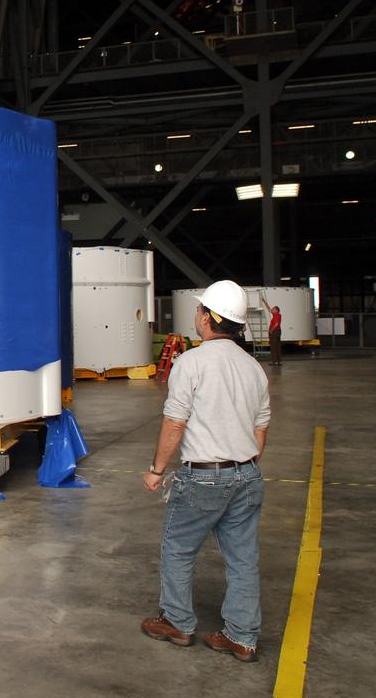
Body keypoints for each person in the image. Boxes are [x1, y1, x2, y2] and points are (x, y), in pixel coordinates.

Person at [140, 279, 271, 663]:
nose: (196, 314)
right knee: (243, 558)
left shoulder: (191, 363)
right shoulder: (253, 368)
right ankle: (242, 637)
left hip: (203, 477)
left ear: (207, 318)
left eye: (199, 309)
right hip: (247, 474)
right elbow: (261, 426)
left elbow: (175, 423)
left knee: (178, 549)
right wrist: (241, 464)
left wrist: (156, 470)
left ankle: (178, 623)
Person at [260, 295, 282, 365]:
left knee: (273, 346)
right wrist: (264, 302)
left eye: (273, 309)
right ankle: (278, 361)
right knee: (277, 346)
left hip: (275, 332)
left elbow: (276, 324)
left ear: (276, 310)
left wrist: (271, 330)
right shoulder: (278, 315)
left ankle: (274, 361)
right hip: (278, 332)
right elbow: (269, 309)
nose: (272, 309)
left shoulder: (276, 316)